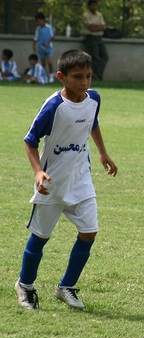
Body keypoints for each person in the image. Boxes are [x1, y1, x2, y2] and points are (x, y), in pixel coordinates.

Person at [15, 49, 118, 311]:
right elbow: (30, 141)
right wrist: (38, 172)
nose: (84, 82)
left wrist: (103, 153)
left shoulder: (94, 98)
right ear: (61, 77)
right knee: (40, 238)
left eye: (88, 76)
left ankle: (66, 286)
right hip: (53, 184)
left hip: (81, 179)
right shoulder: (54, 106)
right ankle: (25, 285)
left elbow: (92, 122)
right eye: (77, 77)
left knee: (89, 231)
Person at [81, 0, 109, 81]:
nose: (94, 7)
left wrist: (96, 27)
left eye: (95, 5)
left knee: (105, 56)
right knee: (95, 57)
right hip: (91, 38)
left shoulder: (99, 15)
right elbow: (91, 28)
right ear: (89, 6)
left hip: (99, 38)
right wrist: (99, 27)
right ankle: (94, 76)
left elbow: (104, 27)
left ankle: (98, 74)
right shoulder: (86, 15)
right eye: (92, 5)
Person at [33, 12, 55, 83]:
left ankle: (51, 75)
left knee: (49, 61)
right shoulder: (38, 29)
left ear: (43, 20)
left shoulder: (49, 27)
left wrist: (47, 43)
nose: (37, 23)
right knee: (43, 63)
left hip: (48, 47)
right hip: (41, 47)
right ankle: (43, 76)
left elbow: (53, 36)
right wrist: (34, 46)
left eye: (38, 21)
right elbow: (36, 38)